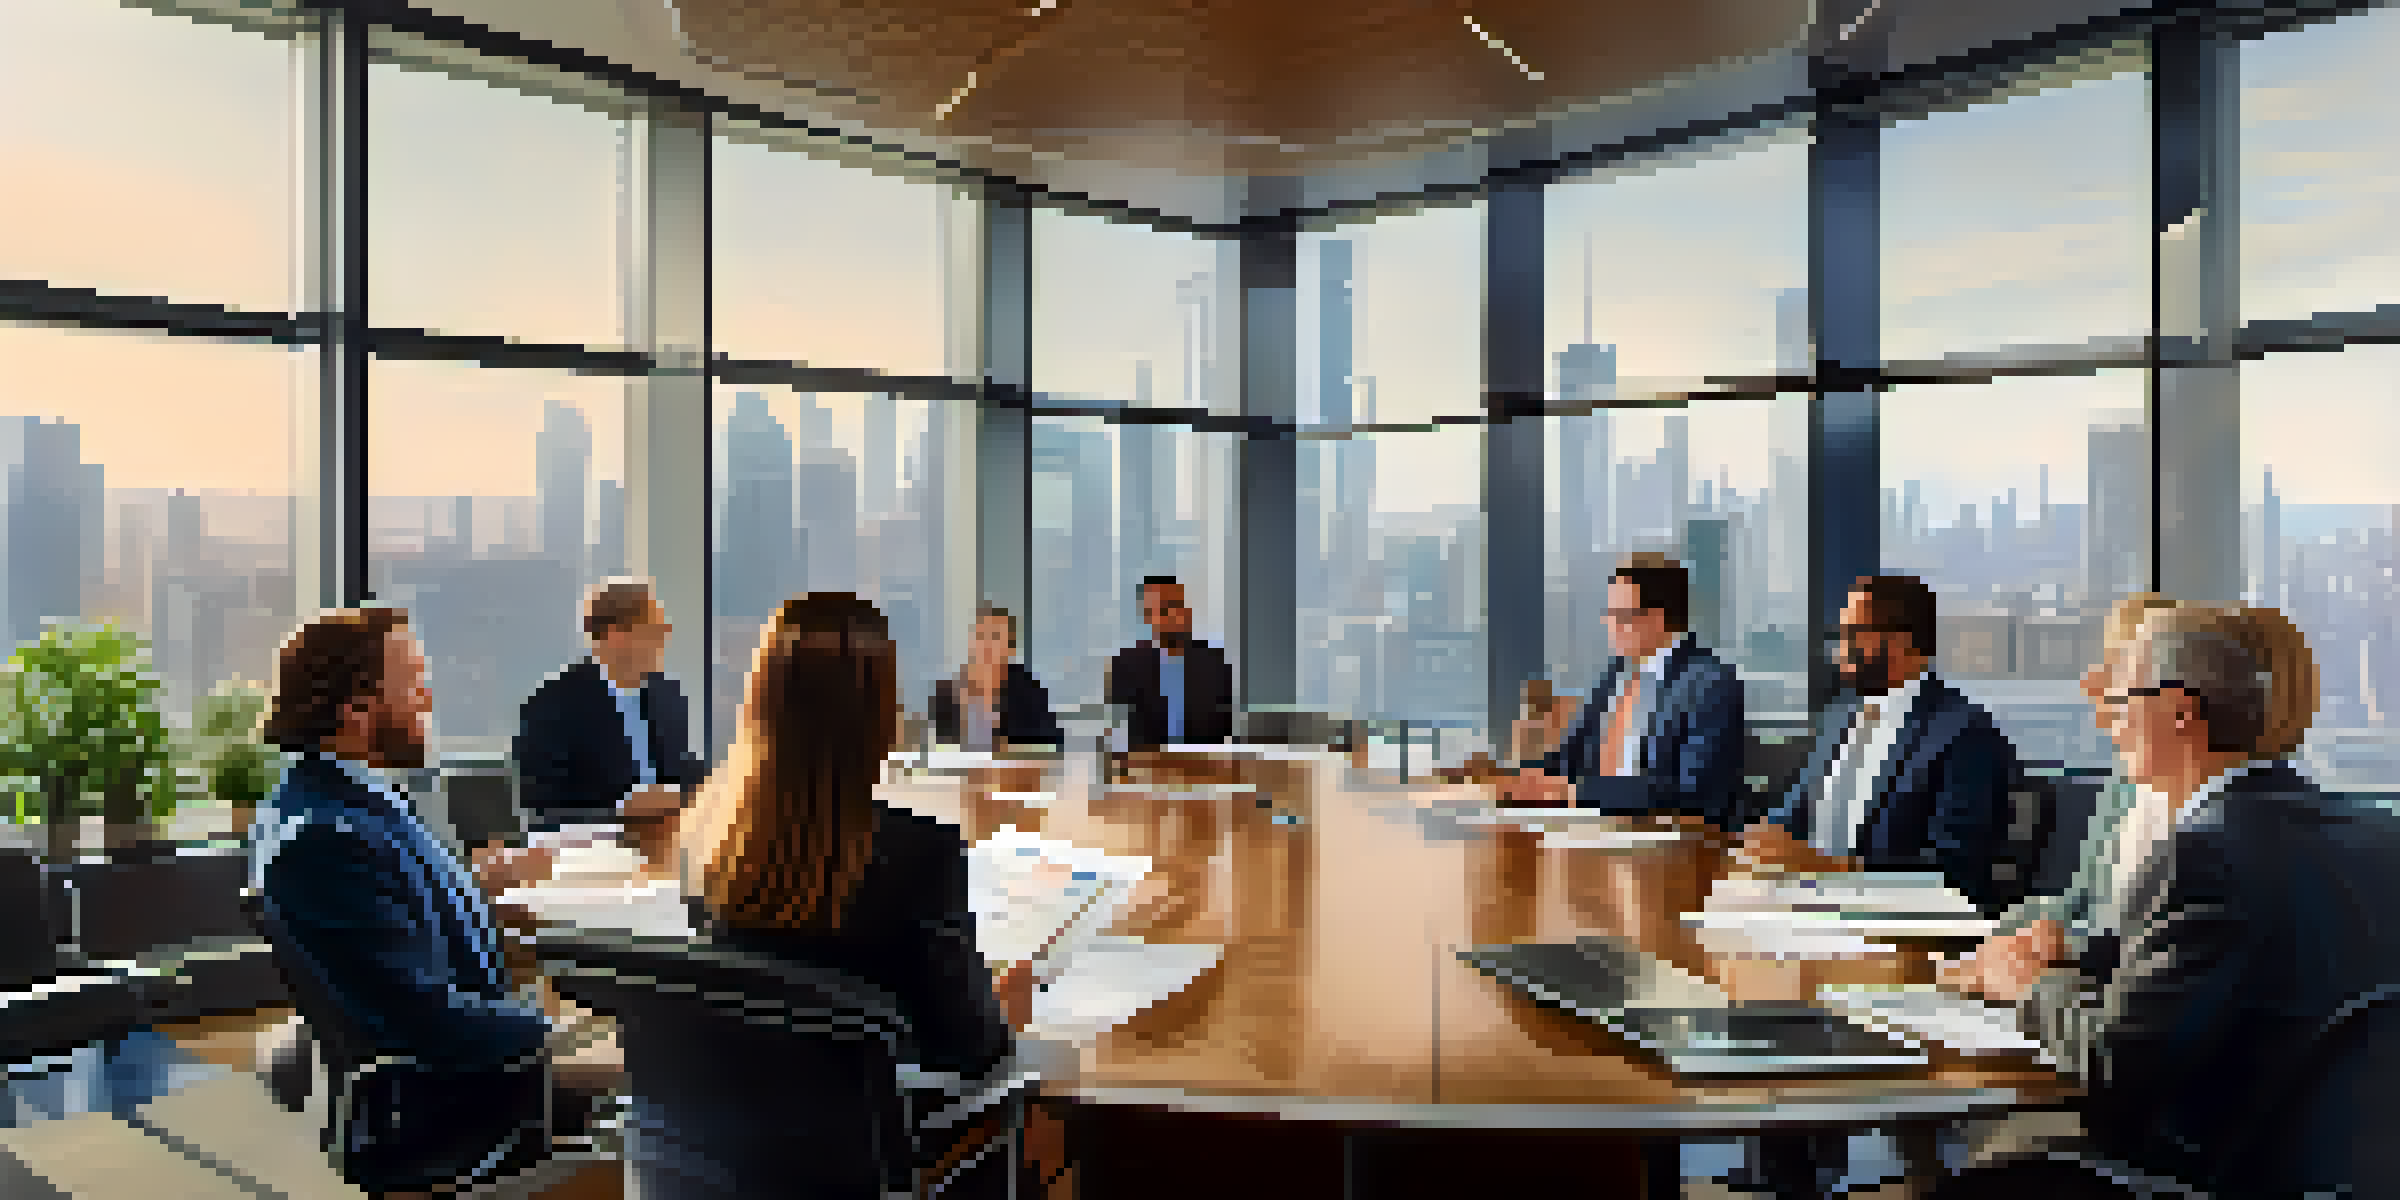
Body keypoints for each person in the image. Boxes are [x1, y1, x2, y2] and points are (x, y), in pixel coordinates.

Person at [1937, 605, 2400, 1198]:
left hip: (2208, 1172)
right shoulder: (2374, 833)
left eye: (2125, 699)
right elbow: (2219, 967)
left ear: (2180, 711)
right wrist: (2072, 960)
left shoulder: (2201, 851)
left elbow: (2112, 1068)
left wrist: (2027, 985)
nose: (2112, 720)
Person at [661, 593, 1035, 1195]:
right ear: (879, 713)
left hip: (740, 1158)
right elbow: (971, 1053)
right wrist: (1005, 1011)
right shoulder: (918, 853)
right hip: (879, 1161)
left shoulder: (705, 841)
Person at [249, 608, 600, 1197]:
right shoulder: (325, 838)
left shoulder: (346, 803)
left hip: (468, 1069)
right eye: (411, 681)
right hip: (450, 1106)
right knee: (678, 1098)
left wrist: (472, 889)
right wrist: (564, 1038)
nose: (429, 696)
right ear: (354, 711)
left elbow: (396, 928)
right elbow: (429, 1021)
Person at [1740, 574, 2025, 915]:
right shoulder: (1839, 718)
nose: (1838, 648)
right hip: (1807, 905)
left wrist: (1826, 867)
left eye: (1853, 634)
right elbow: (1793, 815)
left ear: (1903, 642)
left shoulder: (1964, 733)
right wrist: (1763, 837)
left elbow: (1954, 872)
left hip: (1892, 922)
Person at [1947, 593, 2178, 991]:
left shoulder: (2205, 813)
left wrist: (2060, 949)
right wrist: (2006, 937)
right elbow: (2078, 900)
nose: (2094, 685)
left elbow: (2152, 942)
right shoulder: (2125, 779)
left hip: (2113, 992)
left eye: (2117, 668)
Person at [1498, 552, 1747, 831]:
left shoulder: (1710, 683)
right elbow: (1571, 756)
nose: (1610, 626)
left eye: (1621, 615)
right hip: (1590, 829)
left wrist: (1578, 794)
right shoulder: (1618, 674)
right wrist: (1520, 778)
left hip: (1667, 841)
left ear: (1658, 618)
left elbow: (1693, 791)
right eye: (1609, 614)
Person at [515, 578, 704, 834]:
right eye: (655, 629)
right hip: (596, 853)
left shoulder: (667, 694)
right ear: (616, 636)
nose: (664, 639)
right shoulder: (553, 704)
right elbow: (542, 810)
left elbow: (684, 770)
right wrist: (621, 812)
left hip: (671, 840)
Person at [1104, 576, 1234, 749]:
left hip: (1204, 765)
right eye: (1165, 609)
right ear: (1148, 616)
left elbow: (1225, 728)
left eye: (1178, 606)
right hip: (1146, 767)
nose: (1175, 615)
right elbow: (1115, 731)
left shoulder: (1214, 662)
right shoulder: (1126, 666)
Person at [929, 604, 1063, 751]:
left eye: (995, 637)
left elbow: (1051, 744)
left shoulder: (1029, 690)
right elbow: (940, 749)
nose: (986, 644)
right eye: (980, 636)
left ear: (1009, 648)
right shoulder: (949, 691)